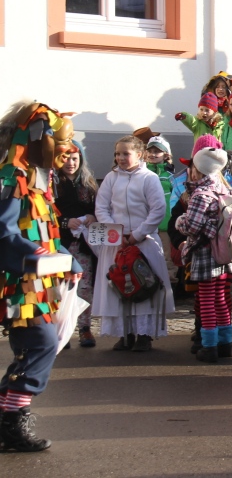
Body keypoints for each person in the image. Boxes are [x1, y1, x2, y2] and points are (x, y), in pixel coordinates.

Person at [0, 102, 83, 453]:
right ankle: (12, 423)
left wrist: (68, 260)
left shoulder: (38, 179)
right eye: (55, 140)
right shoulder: (12, 177)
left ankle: (9, 419)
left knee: (32, 348)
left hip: (42, 280)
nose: (63, 151)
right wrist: (37, 255)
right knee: (42, 344)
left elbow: (44, 231)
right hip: (21, 282)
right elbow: (5, 233)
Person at [92, 135, 175, 351]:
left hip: (143, 242)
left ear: (139, 155)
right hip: (117, 244)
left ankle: (144, 334)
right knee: (119, 285)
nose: (120, 158)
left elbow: (158, 210)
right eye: (117, 154)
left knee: (144, 284)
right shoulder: (111, 178)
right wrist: (116, 234)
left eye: (125, 154)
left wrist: (136, 235)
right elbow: (101, 207)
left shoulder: (149, 178)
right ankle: (125, 333)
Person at [175, 144, 232, 363]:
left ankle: (209, 345)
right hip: (224, 252)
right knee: (221, 298)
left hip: (205, 254)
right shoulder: (224, 188)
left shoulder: (201, 194)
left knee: (207, 299)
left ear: (198, 168)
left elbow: (192, 226)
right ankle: (226, 343)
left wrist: (179, 221)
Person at [55, 138, 98, 348]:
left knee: (85, 286)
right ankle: (62, 329)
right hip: (60, 243)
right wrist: (64, 222)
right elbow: (47, 213)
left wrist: (91, 216)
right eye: (66, 159)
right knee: (61, 287)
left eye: (74, 158)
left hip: (83, 244)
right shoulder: (54, 183)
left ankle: (84, 327)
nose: (70, 163)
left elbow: (96, 207)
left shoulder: (88, 183)